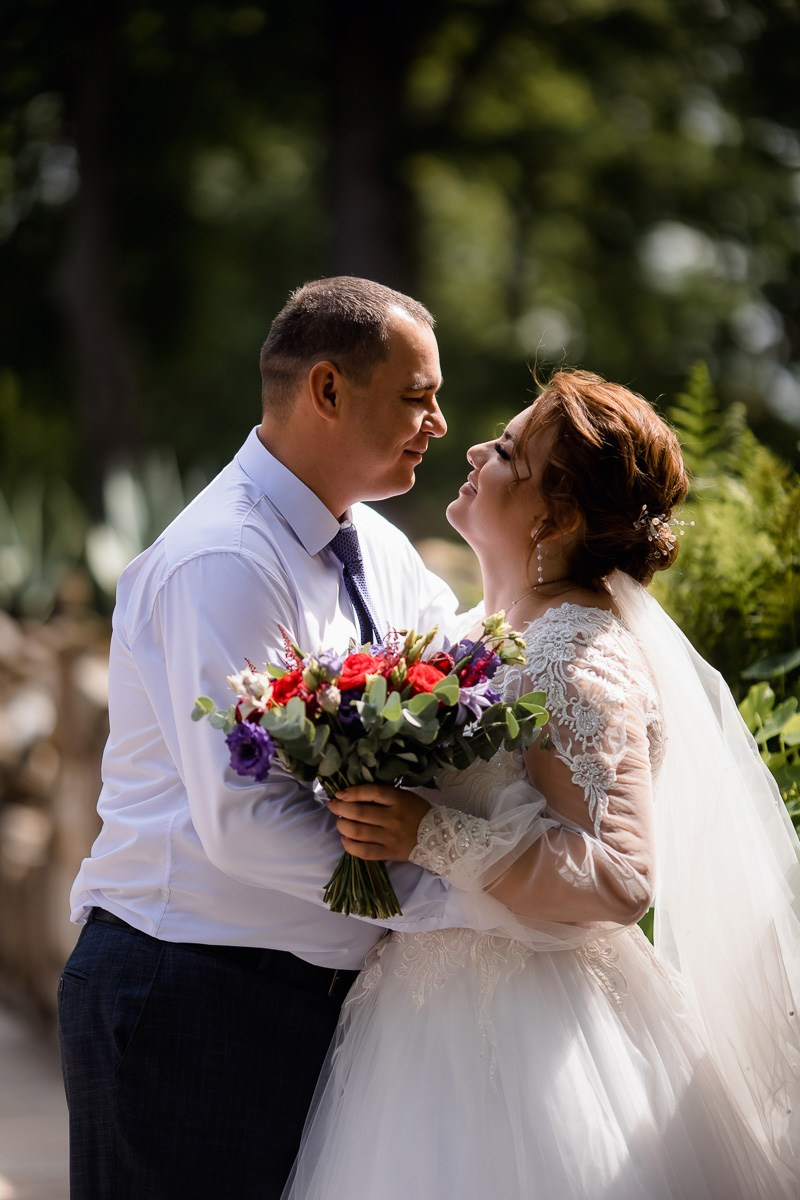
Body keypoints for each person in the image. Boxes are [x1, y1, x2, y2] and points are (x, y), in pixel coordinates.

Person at [282, 368, 800, 1200]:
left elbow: (624, 878)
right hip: (422, 1022)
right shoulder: (476, 634)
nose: (479, 450)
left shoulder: (576, 655)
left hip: (542, 1043)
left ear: (552, 518)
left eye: (511, 453)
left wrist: (427, 835)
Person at [57, 276, 483, 1200]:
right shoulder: (224, 560)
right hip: (187, 998)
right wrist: (462, 895)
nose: (438, 423)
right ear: (327, 390)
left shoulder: (380, 546)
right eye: (417, 397)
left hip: (316, 1004)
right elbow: (244, 818)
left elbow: (468, 684)